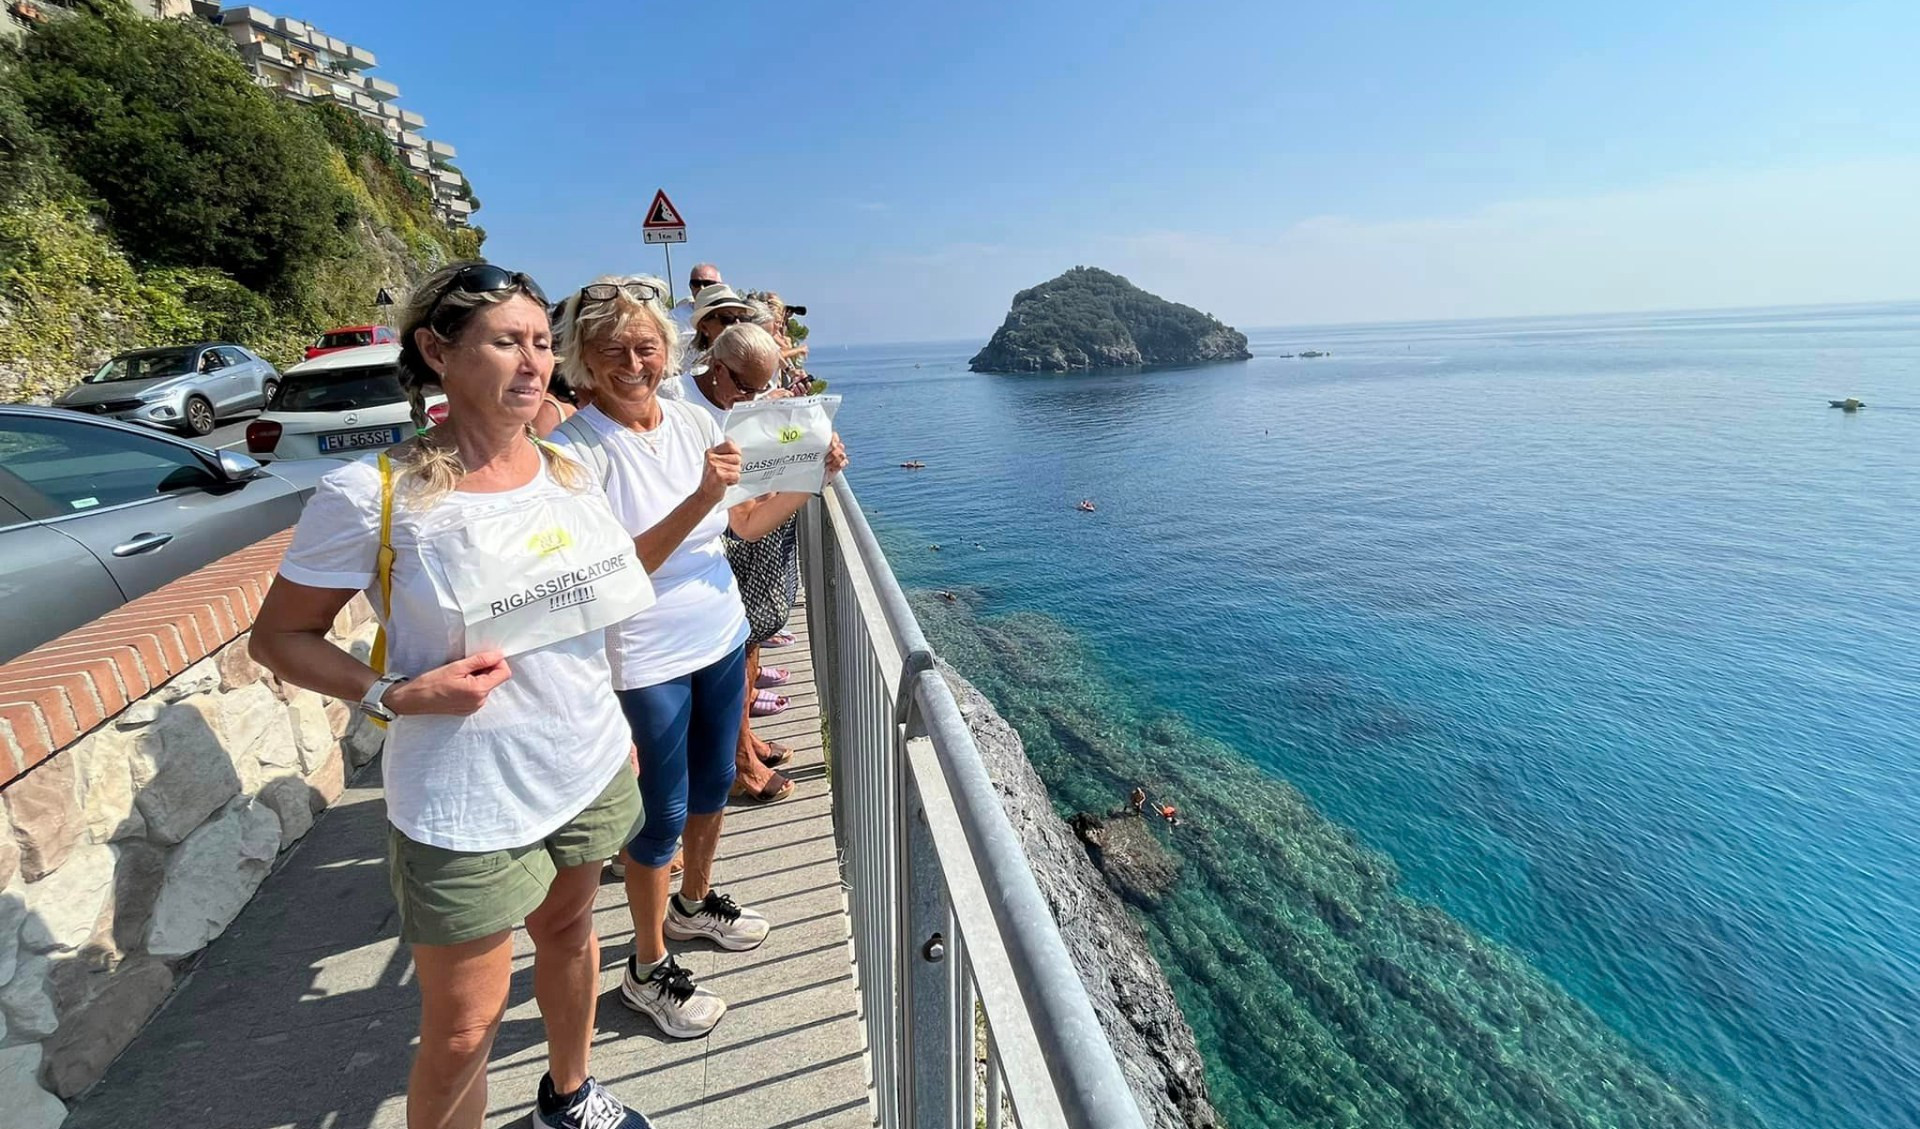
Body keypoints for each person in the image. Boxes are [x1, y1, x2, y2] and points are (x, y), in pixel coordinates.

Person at [248, 262, 653, 1129]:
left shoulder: (571, 475)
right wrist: (390, 692)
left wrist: (616, 721)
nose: (534, 361)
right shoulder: (371, 494)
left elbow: (594, 622)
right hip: (462, 795)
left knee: (571, 934)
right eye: (507, 341)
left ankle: (569, 1094)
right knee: (464, 1028)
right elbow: (277, 638)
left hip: (583, 760)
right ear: (437, 350)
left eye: (542, 342)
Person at [547, 276, 841, 1039]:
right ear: (582, 358)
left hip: (718, 626)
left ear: (670, 350)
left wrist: (811, 477)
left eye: (647, 346)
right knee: (659, 815)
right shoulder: (575, 452)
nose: (634, 362)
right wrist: (694, 498)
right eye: (613, 350)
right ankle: (645, 968)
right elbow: (616, 571)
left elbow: (741, 522)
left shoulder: (685, 423)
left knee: (714, 782)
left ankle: (692, 904)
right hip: (641, 648)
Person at [679, 323, 849, 803]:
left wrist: (818, 456)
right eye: (744, 386)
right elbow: (742, 515)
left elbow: (773, 465)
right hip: (717, 550)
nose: (752, 397)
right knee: (733, 657)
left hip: (750, 539)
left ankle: (744, 742)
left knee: (749, 649)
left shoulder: (747, 400)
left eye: (763, 386)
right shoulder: (688, 411)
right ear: (716, 366)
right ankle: (738, 763)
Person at [669, 262, 724, 340]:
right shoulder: (674, 318)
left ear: (720, 286)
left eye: (707, 283)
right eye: (696, 283)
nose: (701, 288)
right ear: (690, 286)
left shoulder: (733, 315)